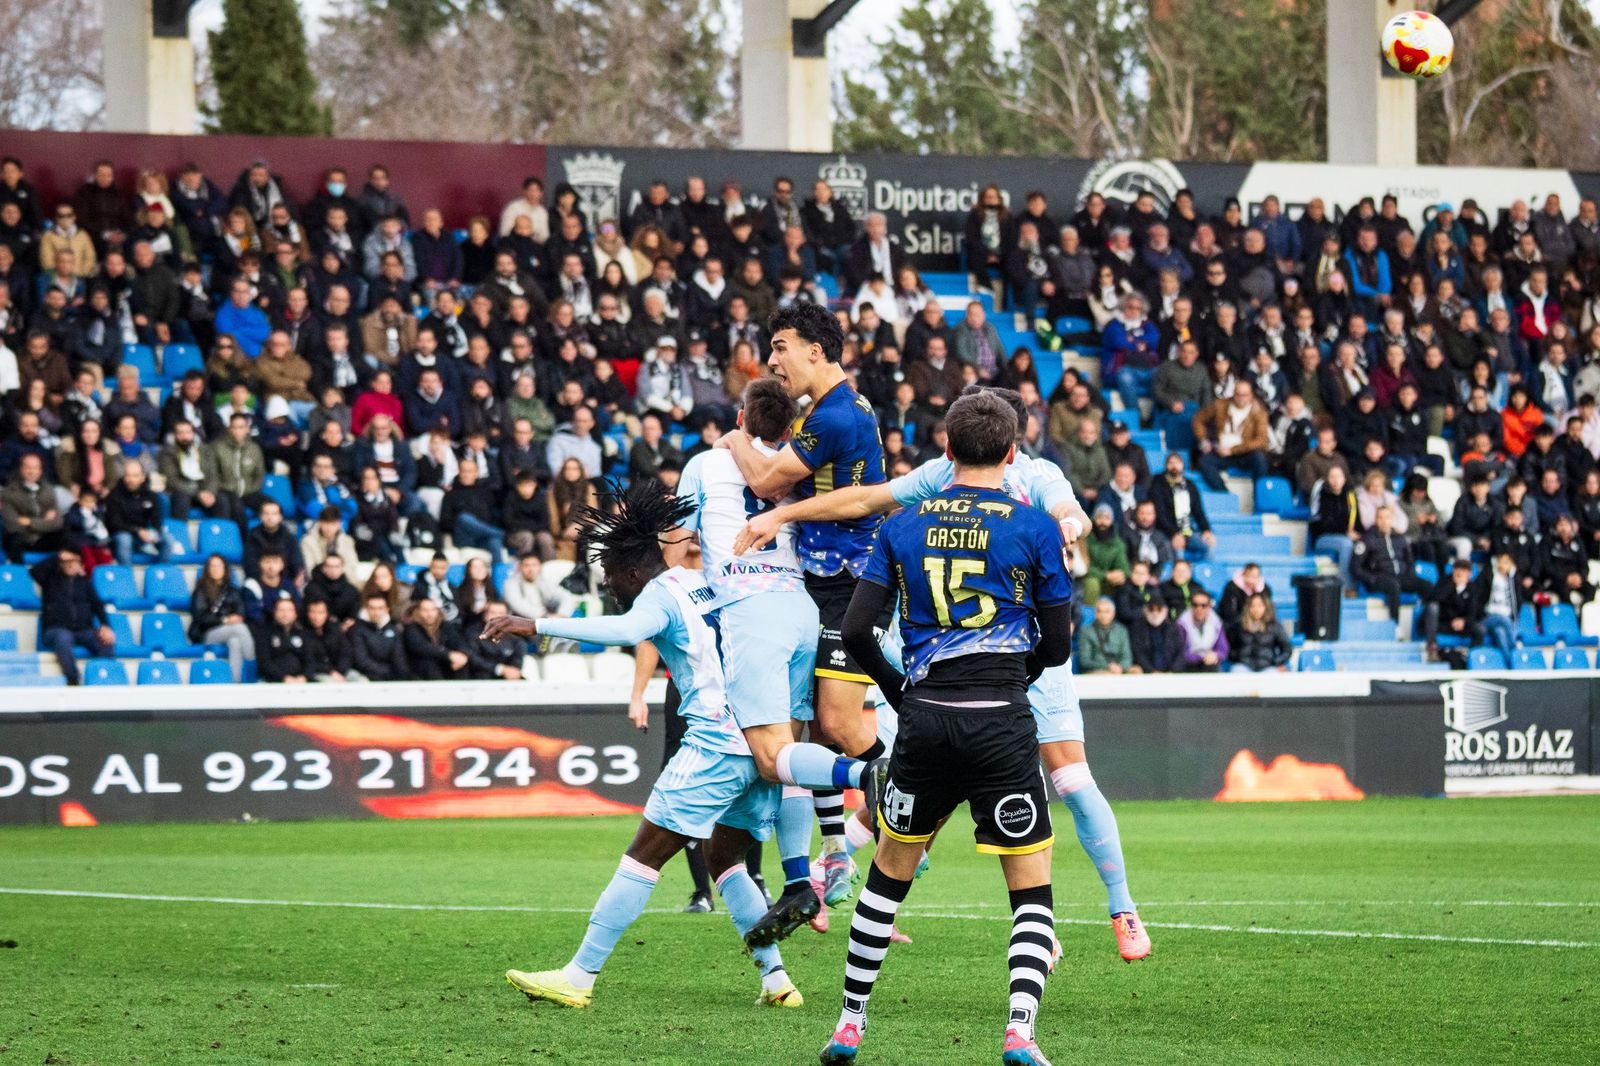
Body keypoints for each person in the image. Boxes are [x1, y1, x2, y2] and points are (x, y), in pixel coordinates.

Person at [734, 386, 1146, 962]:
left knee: (1069, 780)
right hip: (970, 665)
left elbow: (1063, 505)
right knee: (943, 789)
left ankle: (1121, 908)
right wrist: (785, 511)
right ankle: (863, 877)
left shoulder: (1038, 473)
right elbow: (863, 498)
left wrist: (1072, 518)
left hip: (1018, 660)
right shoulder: (944, 475)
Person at [816, 389, 1072, 1066]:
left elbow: (854, 631)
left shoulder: (903, 524)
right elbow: (1058, 643)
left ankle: (849, 1024)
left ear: (946, 450)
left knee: (887, 876)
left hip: (925, 721)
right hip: (1001, 722)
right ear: (1013, 452)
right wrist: (1016, 681)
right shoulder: (1034, 525)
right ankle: (1020, 1031)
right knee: (1031, 884)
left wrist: (903, 693)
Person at [484, 481, 803, 1012]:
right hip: (759, 741)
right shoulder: (708, 580)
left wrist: (532, 625)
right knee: (727, 860)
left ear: (633, 571)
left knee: (643, 856)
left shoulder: (659, 594)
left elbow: (627, 627)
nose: (609, 586)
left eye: (610, 577)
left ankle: (579, 976)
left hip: (715, 747)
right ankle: (776, 981)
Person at [675, 377, 878, 943]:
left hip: (750, 614)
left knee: (772, 757)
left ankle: (875, 779)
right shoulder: (800, 470)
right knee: (796, 746)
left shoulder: (707, 463)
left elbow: (674, 542)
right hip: (802, 607)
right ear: (790, 428)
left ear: (742, 418)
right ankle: (807, 871)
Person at [717, 302, 890, 907]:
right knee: (815, 728)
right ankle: (838, 855)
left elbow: (768, 483)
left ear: (816, 350)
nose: (772, 359)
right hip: (818, 582)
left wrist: (736, 436)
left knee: (840, 724)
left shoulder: (838, 414)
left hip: (854, 584)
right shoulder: (831, 409)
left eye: (781, 345)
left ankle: (903, 797)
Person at [33, 548, 114, 686]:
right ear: (61, 563)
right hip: (55, 629)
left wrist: (105, 626)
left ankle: (100, 680)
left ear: (80, 565)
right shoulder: (50, 580)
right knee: (63, 638)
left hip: (83, 630)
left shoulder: (85, 584)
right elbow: (34, 571)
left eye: (74, 561)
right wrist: (57, 556)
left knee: (105, 642)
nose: (70, 564)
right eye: (67, 561)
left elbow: (98, 606)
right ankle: (73, 680)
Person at [189, 553, 256, 683]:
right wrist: (225, 620)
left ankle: (234, 683)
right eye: (212, 566)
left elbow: (240, 613)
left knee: (235, 642)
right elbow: (200, 618)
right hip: (206, 633)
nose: (215, 569)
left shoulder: (233, 591)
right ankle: (253, 666)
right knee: (240, 629)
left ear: (225, 569)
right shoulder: (200, 591)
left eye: (218, 566)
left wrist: (235, 619)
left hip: (230, 631)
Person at [348, 592, 407, 682]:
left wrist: (402, 675)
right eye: (372, 608)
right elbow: (362, 661)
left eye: (380, 608)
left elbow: (399, 658)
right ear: (366, 609)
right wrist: (389, 673)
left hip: (391, 676)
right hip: (366, 676)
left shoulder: (394, 630)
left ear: (387, 609)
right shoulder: (356, 630)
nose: (376, 612)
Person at [1227, 593, 1292, 672]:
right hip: (1243, 666)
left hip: (1267, 667)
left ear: (1266, 607)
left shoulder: (1274, 626)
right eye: (1252, 606)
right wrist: (1238, 658)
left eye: (1260, 606)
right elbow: (1228, 646)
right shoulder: (1238, 626)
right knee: (1236, 671)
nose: (1256, 609)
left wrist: (1276, 662)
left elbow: (1287, 649)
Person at [1077, 597, 1133, 675]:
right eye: (1099, 611)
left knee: (1136, 671)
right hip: (1096, 672)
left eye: (1107, 611)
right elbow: (1085, 661)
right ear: (1095, 613)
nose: (1103, 615)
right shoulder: (1086, 631)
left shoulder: (1121, 630)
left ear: (1113, 613)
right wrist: (1108, 667)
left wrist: (1121, 667)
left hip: (1119, 671)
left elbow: (1127, 657)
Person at [1129, 598, 1184, 674]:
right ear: (1145, 611)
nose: (1155, 613)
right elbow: (1138, 653)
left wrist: (1172, 671)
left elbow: (1180, 652)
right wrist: (1151, 671)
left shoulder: (1173, 628)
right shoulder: (1137, 629)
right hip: (1147, 674)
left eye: (1159, 609)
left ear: (1165, 611)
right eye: (1151, 609)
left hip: (1171, 675)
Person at [1177, 591, 1228, 672]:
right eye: (1195, 605)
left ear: (1209, 607)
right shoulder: (1182, 624)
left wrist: (1216, 655)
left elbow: (1223, 649)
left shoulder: (1216, 623)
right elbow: (1180, 652)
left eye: (1203, 605)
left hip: (1209, 663)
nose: (1199, 609)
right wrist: (1202, 657)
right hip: (1188, 665)